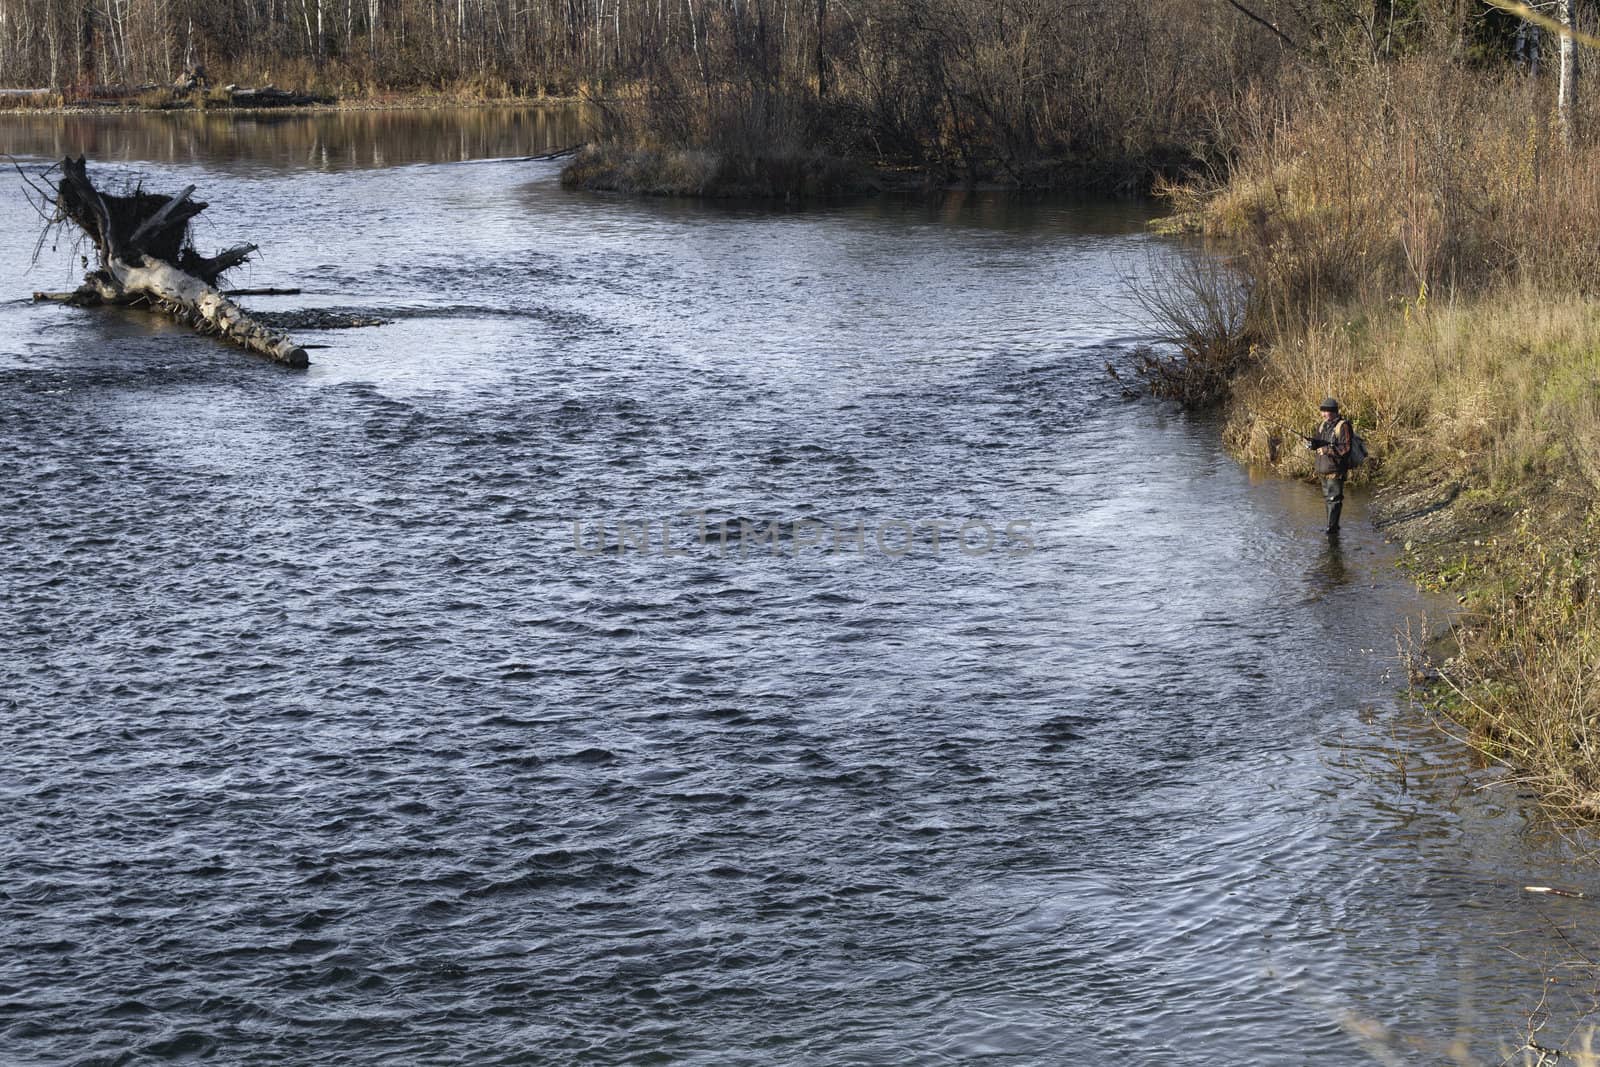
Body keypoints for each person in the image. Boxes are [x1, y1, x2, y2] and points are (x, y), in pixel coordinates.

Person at [1307, 397, 1352, 536]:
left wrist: (1327, 450)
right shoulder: (1323, 425)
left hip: (1335, 470)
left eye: (1326, 411)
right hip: (1323, 470)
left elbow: (1346, 448)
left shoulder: (1343, 426)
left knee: (1334, 499)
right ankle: (1332, 526)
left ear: (1333, 411)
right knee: (1328, 499)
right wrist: (1313, 444)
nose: (1323, 414)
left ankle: (1331, 529)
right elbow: (1320, 442)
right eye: (1322, 411)